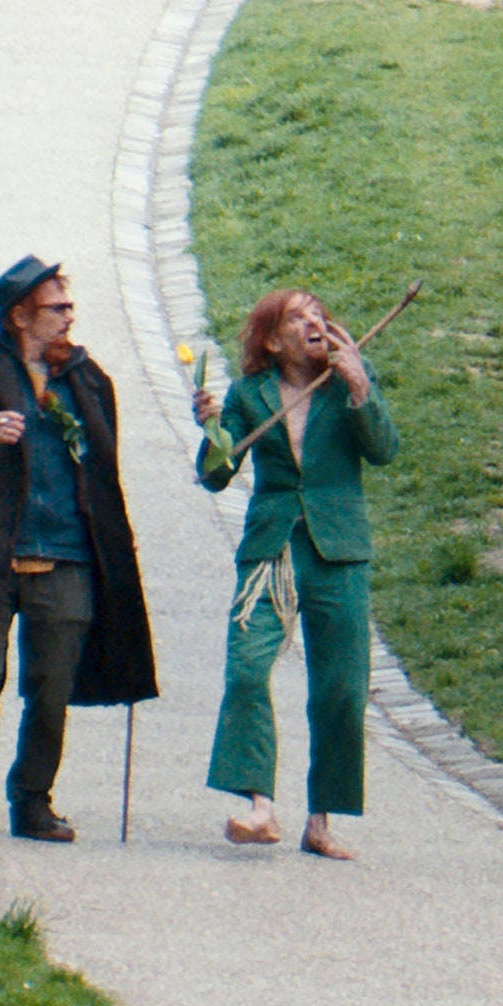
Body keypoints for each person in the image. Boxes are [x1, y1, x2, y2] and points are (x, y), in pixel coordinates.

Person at [0, 256, 157, 850]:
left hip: (68, 551)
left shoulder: (87, 379)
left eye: (69, 306)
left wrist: (115, 548)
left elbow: (106, 474)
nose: (70, 316)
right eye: (58, 307)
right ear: (21, 314)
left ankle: (33, 800)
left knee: (52, 687)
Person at [192, 289, 398, 860]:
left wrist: (359, 386)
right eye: (297, 317)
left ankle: (321, 821)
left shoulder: (348, 377)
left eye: (318, 313)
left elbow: (384, 450)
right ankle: (260, 808)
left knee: (341, 689)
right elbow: (214, 475)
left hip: (338, 548)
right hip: (272, 546)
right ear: (272, 340)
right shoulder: (249, 394)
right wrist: (211, 429)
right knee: (247, 667)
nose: (314, 321)